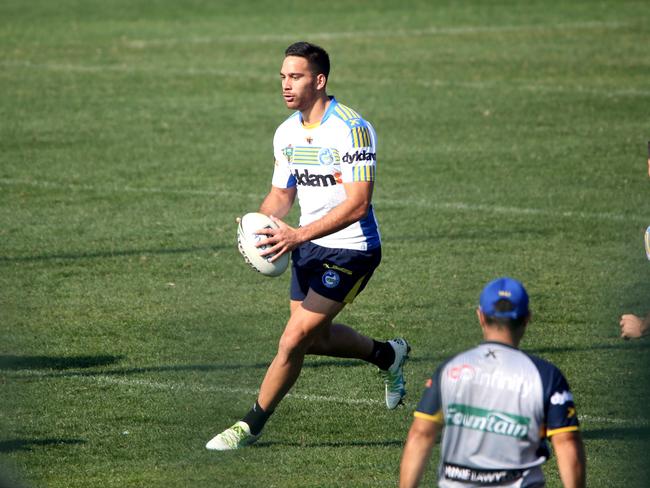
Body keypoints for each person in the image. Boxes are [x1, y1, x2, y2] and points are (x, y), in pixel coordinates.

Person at [206, 41, 410, 451]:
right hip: (308, 247)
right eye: (282, 76)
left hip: (353, 249)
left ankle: (249, 425)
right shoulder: (286, 133)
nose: (285, 84)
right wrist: (259, 223)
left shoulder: (352, 128)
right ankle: (388, 356)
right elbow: (281, 196)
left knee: (292, 339)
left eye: (295, 76)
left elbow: (358, 203)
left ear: (319, 80)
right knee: (314, 340)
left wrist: (297, 234)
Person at [400, 277, 586, 488]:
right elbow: (567, 443)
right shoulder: (546, 377)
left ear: (480, 317)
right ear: (527, 318)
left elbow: (420, 434)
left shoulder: (451, 370)